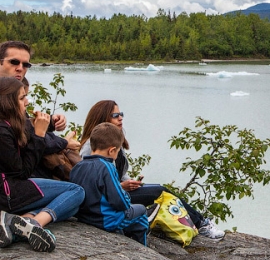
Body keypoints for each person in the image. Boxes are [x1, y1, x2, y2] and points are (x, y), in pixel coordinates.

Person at [0, 77, 85, 252]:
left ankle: (20, 222)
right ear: (7, 101)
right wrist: (39, 135)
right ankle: (33, 223)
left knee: (71, 208)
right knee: (76, 192)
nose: (27, 102)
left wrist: (47, 131)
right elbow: (22, 171)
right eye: (22, 97)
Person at [78, 100, 225, 240]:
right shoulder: (91, 147)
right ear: (102, 118)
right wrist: (122, 186)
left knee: (158, 191)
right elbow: (93, 180)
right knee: (160, 191)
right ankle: (201, 224)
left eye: (121, 114)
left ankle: (196, 223)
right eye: (115, 115)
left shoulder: (113, 139)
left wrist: (130, 182)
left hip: (117, 192)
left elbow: (117, 174)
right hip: (108, 199)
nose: (120, 118)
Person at [69, 123, 159, 245]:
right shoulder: (107, 167)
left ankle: (124, 233)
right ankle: (142, 247)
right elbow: (120, 201)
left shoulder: (77, 167)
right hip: (105, 220)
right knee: (141, 211)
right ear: (111, 150)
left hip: (84, 217)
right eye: (117, 151)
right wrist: (127, 197)